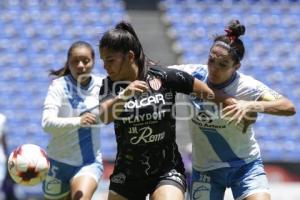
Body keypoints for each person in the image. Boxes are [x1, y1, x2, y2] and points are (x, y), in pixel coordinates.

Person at [97, 21, 234, 200]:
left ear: (130, 56)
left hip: (166, 169)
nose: (105, 66)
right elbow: (104, 116)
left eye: (110, 60)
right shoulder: (109, 85)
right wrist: (124, 95)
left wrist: (236, 105)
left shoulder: (163, 76)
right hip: (127, 173)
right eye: (103, 60)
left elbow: (207, 93)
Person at [169, 20, 296, 200]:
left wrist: (251, 105)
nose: (214, 68)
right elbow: (160, 72)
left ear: (236, 67)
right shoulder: (194, 75)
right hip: (206, 170)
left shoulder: (248, 86)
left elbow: (288, 107)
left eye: (223, 64)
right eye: (211, 60)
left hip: (245, 166)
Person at [42, 41, 104, 200]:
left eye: (86, 60)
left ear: (94, 61)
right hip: (57, 163)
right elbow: (47, 124)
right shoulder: (58, 86)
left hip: (88, 163)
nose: (81, 65)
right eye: (75, 61)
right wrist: (78, 121)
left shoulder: (102, 85)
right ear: (68, 63)